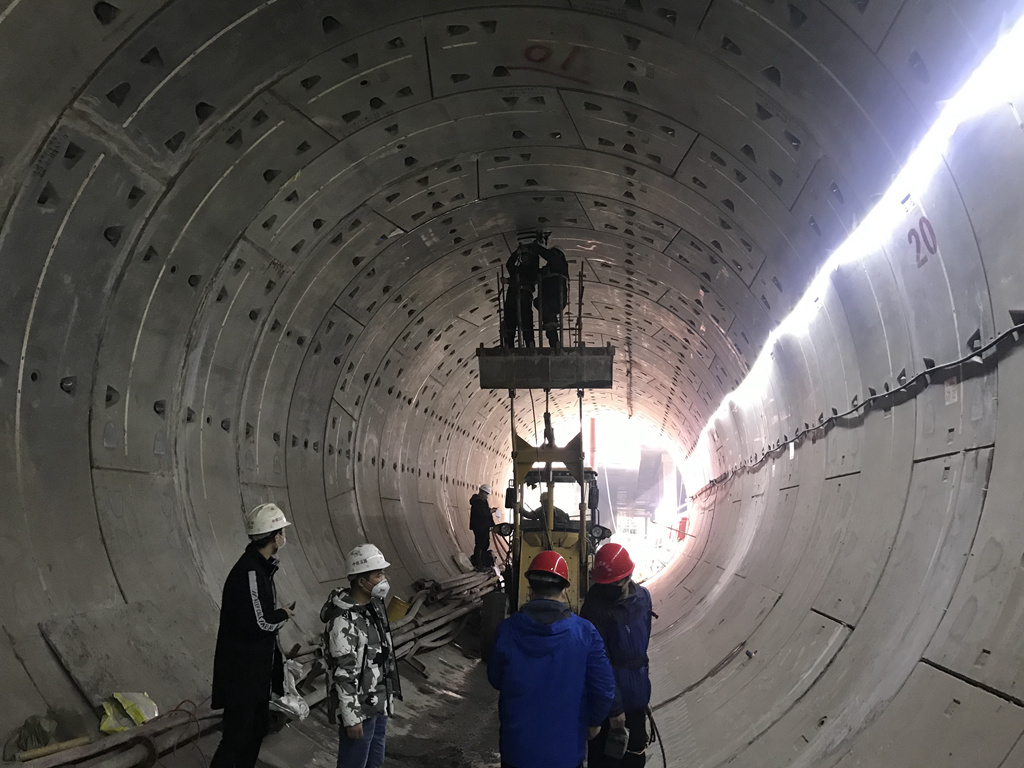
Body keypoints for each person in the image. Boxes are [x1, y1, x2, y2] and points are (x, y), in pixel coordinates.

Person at [488, 551, 615, 768]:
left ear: (530, 588)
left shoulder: (507, 631)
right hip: (565, 754)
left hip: (516, 751)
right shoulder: (585, 633)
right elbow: (604, 688)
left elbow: (496, 679)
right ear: (565, 589)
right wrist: (594, 722)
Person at [211, 502, 296, 768]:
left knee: (255, 732)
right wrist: (282, 615)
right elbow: (259, 623)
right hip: (242, 675)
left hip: (255, 674)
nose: (284, 536)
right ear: (274, 537)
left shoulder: (262, 567)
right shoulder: (251, 572)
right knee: (236, 738)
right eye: (281, 531)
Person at [322, 544, 402, 768]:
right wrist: (351, 717)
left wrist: (388, 700)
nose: (383, 579)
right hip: (359, 711)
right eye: (378, 574)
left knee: (374, 762)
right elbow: (343, 672)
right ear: (361, 581)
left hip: (378, 704)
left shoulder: (375, 608)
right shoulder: (343, 620)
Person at [580, 544, 655, 767]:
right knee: (607, 759)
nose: (608, 589)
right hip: (608, 703)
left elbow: (641, 650)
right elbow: (598, 663)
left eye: (615, 584)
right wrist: (614, 708)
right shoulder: (595, 608)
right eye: (604, 584)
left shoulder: (642, 598)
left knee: (634, 757)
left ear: (628, 577)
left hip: (636, 698)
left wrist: (643, 692)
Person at [502, 242, 540, 347]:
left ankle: (530, 345)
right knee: (510, 322)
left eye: (526, 256)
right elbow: (509, 265)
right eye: (522, 256)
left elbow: (525, 279)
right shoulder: (518, 269)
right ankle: (509, 345)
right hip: (513, 298)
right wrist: (516, 253)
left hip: (523, 298)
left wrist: (509, 281)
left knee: (526, 322)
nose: (524, 258)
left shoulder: (533, 270)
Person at [536, 245, 569, 348]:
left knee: (546, 316)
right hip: (550, 300)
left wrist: (535, 247)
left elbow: (551, 257)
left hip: (555, 299)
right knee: (549, 323)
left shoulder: (561, 264)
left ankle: (554, 344)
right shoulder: (548, 269)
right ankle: (554, 346)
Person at [470, 483, 496, 568]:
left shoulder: (483, 501)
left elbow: (485, 512)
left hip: (484, 526)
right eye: (486, 494)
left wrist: (492, 524)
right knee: (480, 544)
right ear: (481, 492)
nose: (487, 496)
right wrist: (490, 511)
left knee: (485, 544)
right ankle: (478, 563)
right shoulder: (477, 501)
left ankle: (482, 561)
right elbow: (483, 513)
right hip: (479, 527)